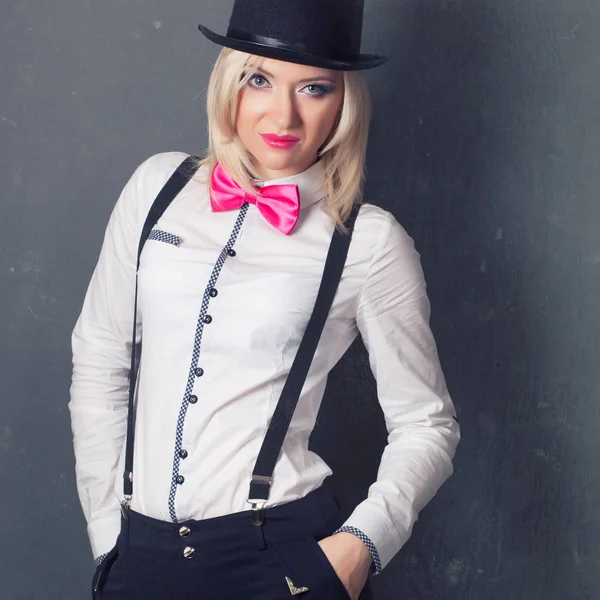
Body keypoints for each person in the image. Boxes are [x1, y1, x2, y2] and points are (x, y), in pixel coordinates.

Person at [68, 0, 461, 598]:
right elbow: (99, 358)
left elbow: (427, 423)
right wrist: (107, 538)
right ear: (230, 82)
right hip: (138, 555)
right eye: (260, 79)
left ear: (343, 101)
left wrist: (358, 551)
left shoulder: (370, 242)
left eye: (313, 87)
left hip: (280, 561)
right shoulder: (156, 188)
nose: (284, 114)